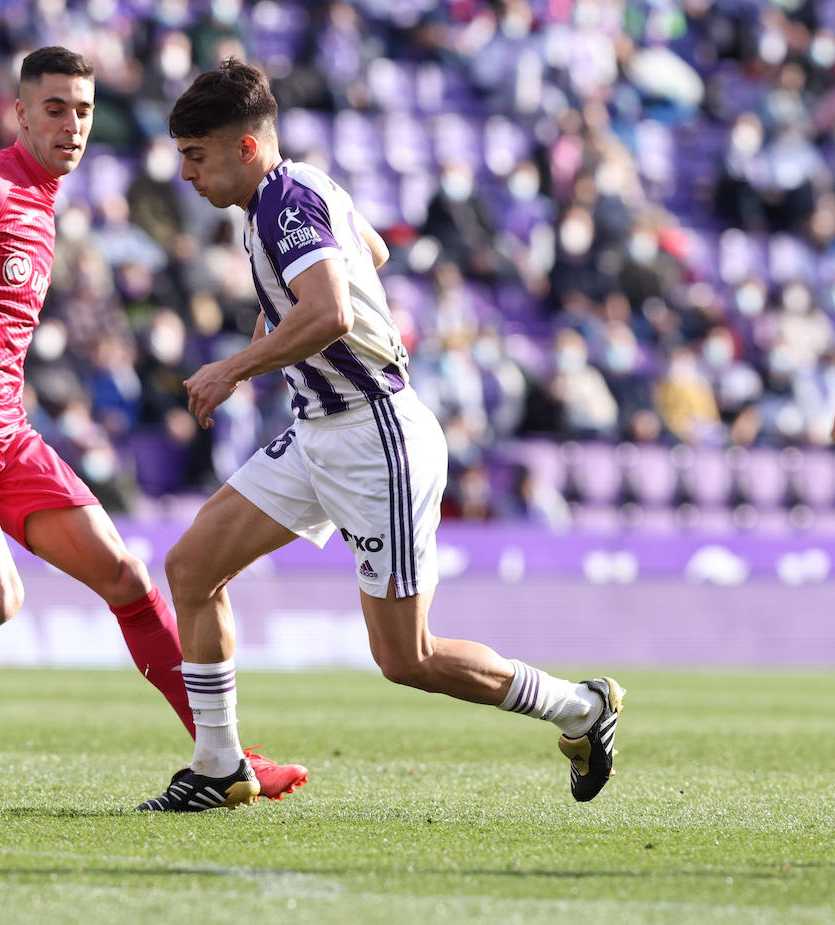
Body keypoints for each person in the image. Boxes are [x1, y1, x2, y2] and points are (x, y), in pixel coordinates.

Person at [0, 47, 308, 800]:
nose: (73, 125)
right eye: (57, 109)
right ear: (22, 114)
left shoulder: (43, 200)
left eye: (85, 110)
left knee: (129, 577)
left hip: (3, 430)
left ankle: (220, 755)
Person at [136, 59, 624, 812]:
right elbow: (373, 254)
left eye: (195, 155)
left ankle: (581, 707)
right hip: (319, 431)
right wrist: (283, 312)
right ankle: (218, 764)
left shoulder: (284, 203)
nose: (186, 174)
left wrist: (235, 366)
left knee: (408, 656)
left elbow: (329, 311)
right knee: (192, 566)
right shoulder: (300, 189)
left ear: (243, 148)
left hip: (375, 438)